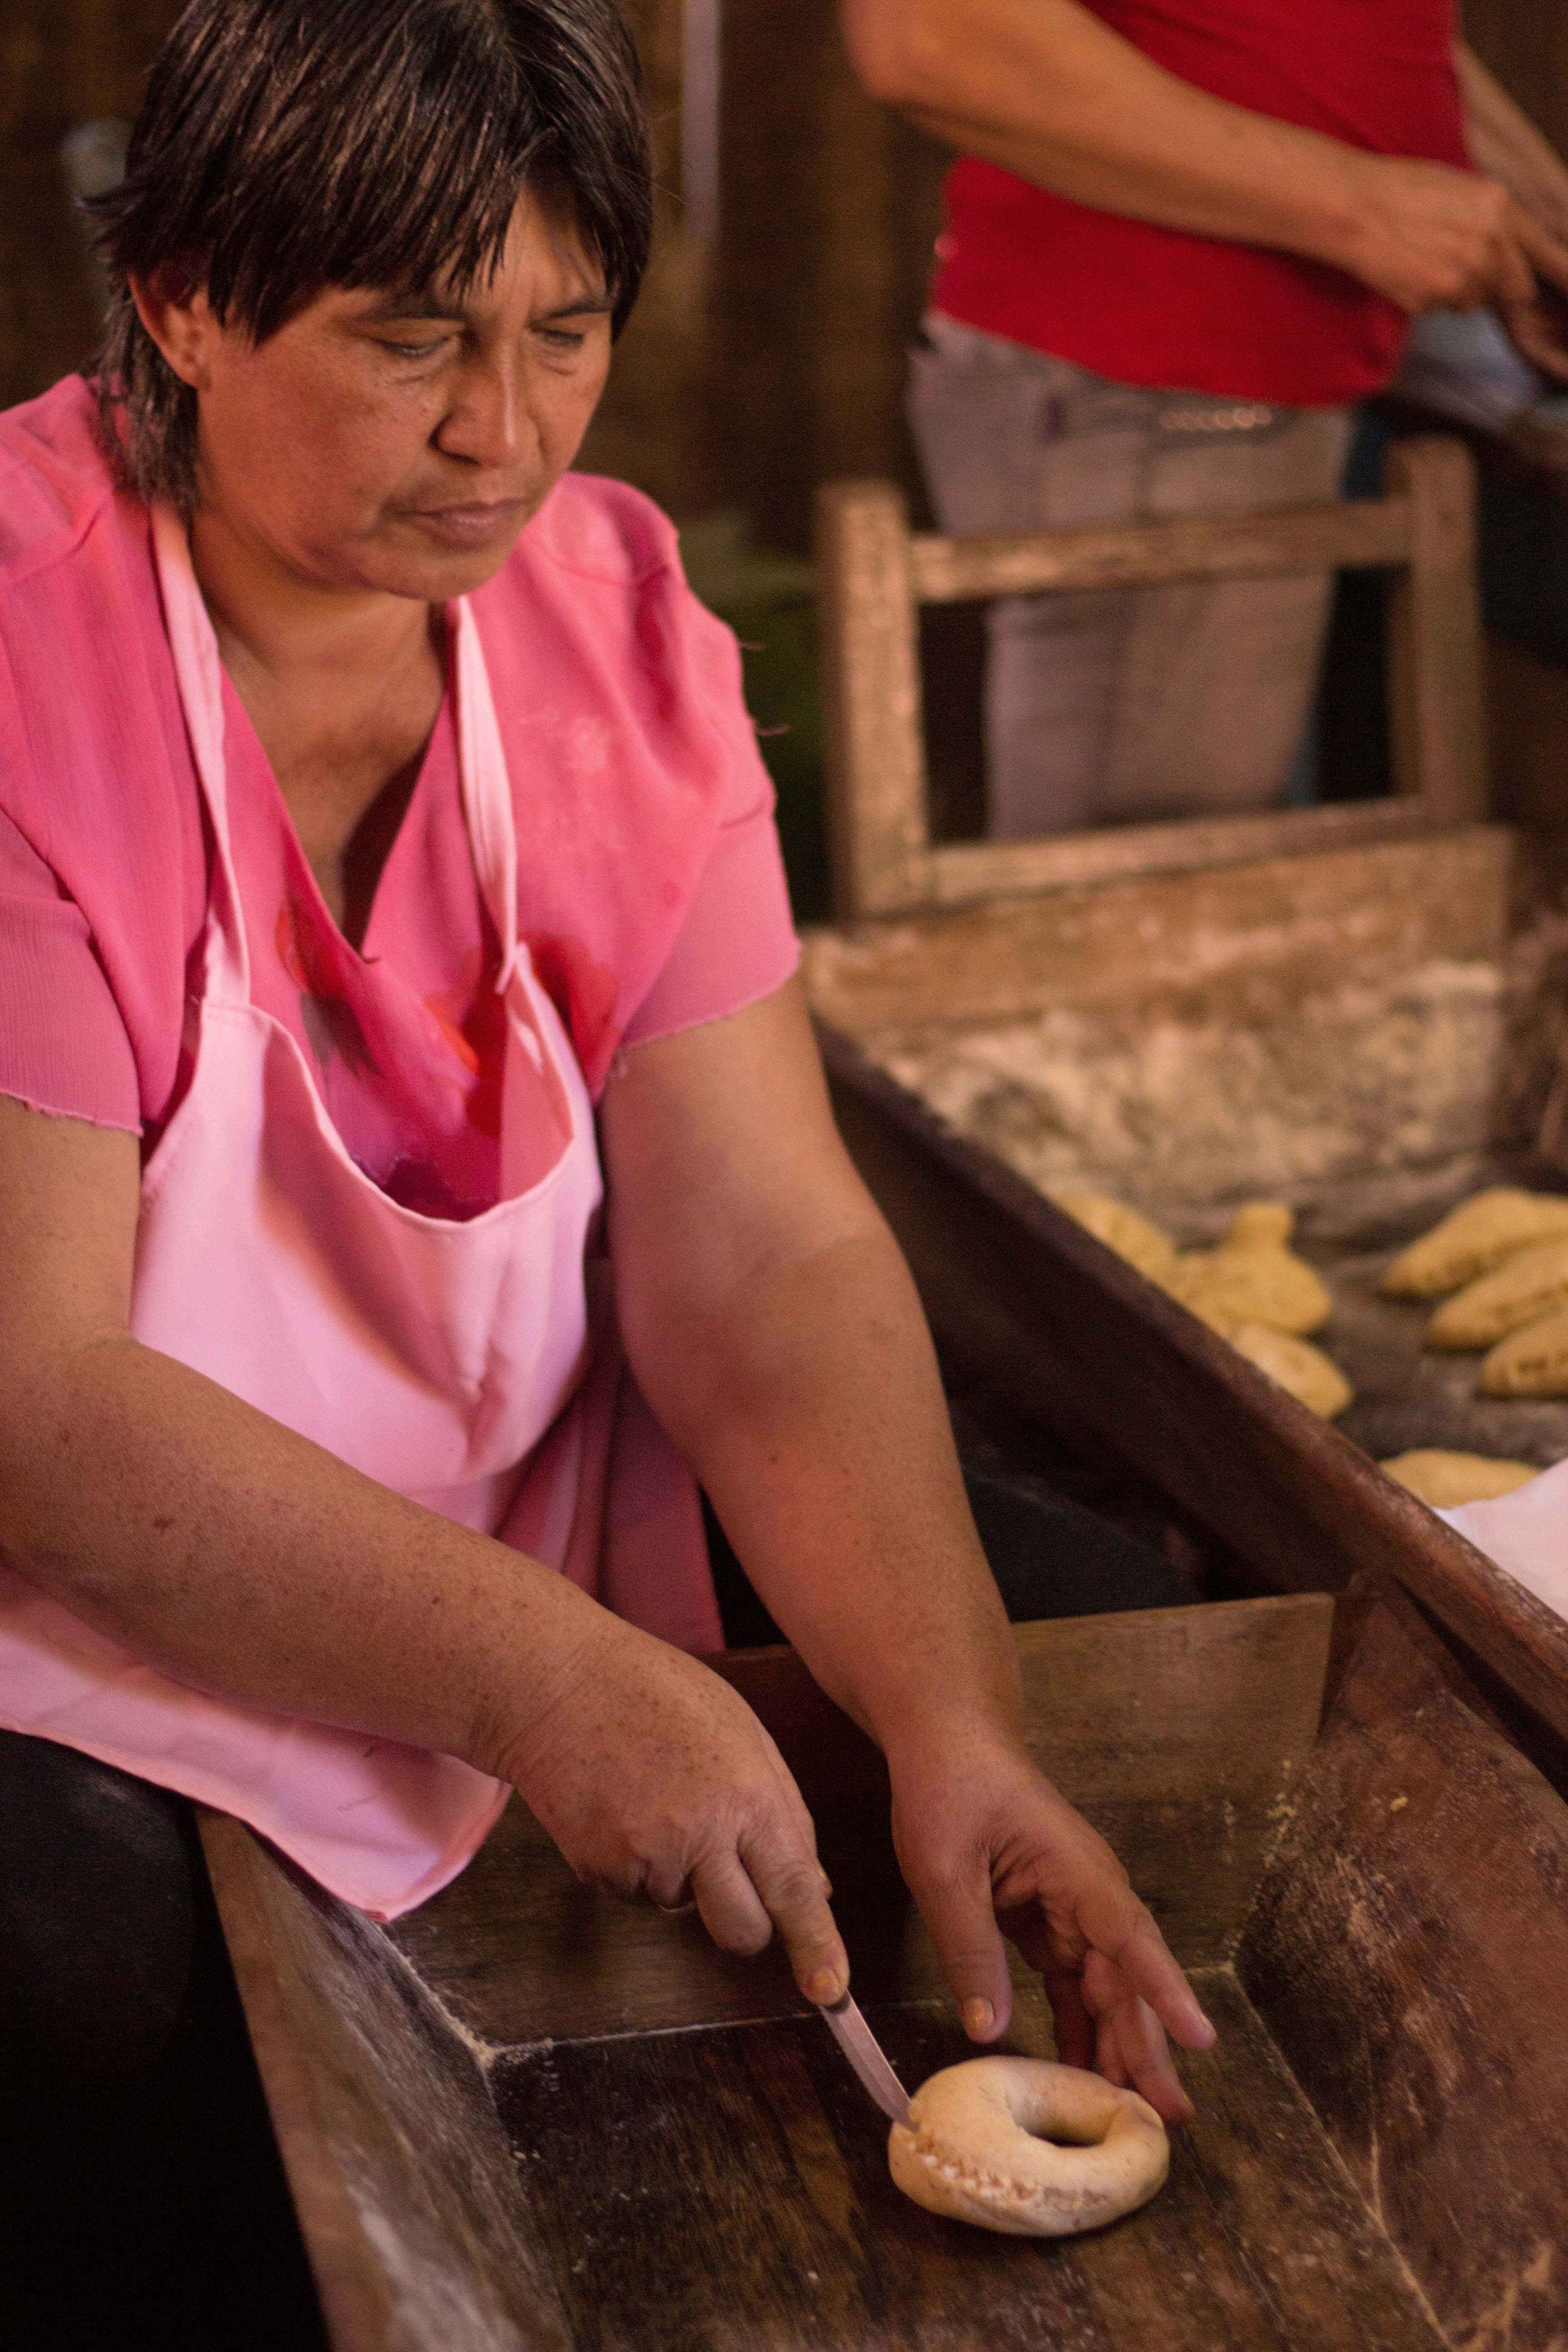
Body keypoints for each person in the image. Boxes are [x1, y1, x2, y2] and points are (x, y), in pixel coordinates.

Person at [0, 0, 1213, 2334]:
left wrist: (951, 1714)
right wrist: (552, 1684)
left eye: (567, 332)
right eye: (411, 338)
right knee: (82, 1985)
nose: (503, 431)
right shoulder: (36, 657)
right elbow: (44, 1408)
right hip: (121, 1558)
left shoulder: (608, 622)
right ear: (178, 298)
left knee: (1056, 1650)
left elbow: (759, 1252)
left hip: (533, 1482)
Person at [842, 0, 1568, 837]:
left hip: (1250, 386)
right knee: (1141, 901)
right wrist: (1363, 207)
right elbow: (932, 34)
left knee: (1195, 870)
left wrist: (1534, 212)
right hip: (1142, 382)